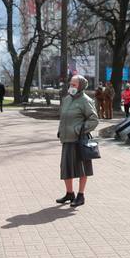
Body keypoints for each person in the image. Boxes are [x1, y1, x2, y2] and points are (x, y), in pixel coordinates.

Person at [56, 74, 100, 208]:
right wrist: (60, 130)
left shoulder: (85, 100)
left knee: (82, 169)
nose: (71, 87)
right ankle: (70, 194)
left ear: (80, 86)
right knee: (66, 168)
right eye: (70, 84)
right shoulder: (67, 99)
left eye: (74, 85)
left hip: (79, 139)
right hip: (67, 139)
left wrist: (78, 129)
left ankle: (81, 195)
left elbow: (94, 120)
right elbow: (63, 118)